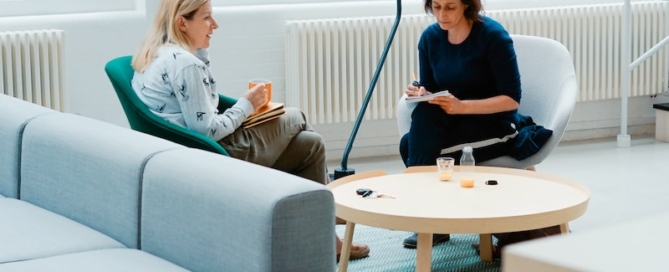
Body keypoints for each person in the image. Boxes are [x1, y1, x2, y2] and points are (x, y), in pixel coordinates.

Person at [130, 0, 369, 261]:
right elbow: (207, 130)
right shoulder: (186, 64)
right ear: (182, 23)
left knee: (310, 144)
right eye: (207, 18)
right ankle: (327, 207)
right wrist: (247, 104)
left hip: (188, 153)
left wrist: (202, 54)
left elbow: (198, 112)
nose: (215, 25)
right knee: (296, 115)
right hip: (216, 154)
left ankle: (323, 235)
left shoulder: (158, 53)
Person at [399, 0, 560, 256]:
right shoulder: (430, 38)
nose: (442, 14)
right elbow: (431, 89)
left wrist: (462, 107)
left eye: (450, 7)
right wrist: (421, 91)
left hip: (495, 124)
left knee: (413, 146)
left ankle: (430, 215)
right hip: (455, 119)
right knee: (417, 127)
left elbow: (511, 98)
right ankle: (432, 215)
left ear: (467, 5)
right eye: (437, 6)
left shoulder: (493, 37)